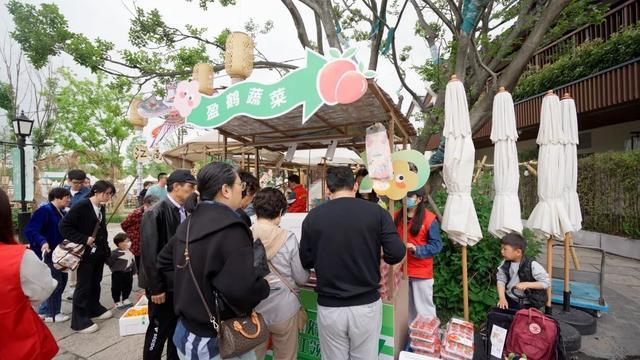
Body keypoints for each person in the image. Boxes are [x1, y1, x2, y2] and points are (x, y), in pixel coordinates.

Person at [157, 162, 270, 360]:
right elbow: (243, 290)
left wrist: (191, 289)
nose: (241, 191)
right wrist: (263, 287)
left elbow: (165, 261)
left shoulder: (189, 222)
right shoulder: (232, 228)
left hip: (186, 332)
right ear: (225, 190)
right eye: (239, 186)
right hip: (217, 339)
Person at [299, 166, 406, 359]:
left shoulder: (313, 217)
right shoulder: (377, 213)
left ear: (327, 189)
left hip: (330, 307)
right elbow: (396, 253)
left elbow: (305, 260)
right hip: (366, 306)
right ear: (355, 186)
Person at [141, 169, 196, 360]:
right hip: (162, 286)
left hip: (181, 284)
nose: (193, 191)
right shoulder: (155, 213)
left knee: (177, 330)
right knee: (158, 330)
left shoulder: (188, 210)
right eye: (190, 187)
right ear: (176, 187)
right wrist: (156, 288)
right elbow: (149, 255)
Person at [0, 188, 59, 359]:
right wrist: (43, 242)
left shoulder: (60, 211)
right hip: (19, 345)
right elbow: (44, 288)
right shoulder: (18, 258)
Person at [252, 188, 310, 360]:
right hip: (284, 309)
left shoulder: (245, 234)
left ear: (256, 210)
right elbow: (301, 278)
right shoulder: (289, 238)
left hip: (254, 310)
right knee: (286, 356)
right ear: (280, 212)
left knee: (254, 356)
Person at [59, 180, 115, 333]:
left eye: (110, 194)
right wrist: (84, 238)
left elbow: (102, 230)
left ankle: (94, 307)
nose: (108, 197)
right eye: (106, 193)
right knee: (83, 285)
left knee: (95, 281)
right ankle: (79, 319)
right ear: (96, 191)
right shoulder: (83, 205)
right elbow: (64, 226)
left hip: (98, 253)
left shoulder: (101, 207)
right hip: (84, 253)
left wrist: (106, 250)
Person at [23, 187, 72, 323]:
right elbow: (30, 230)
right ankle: (53, 313)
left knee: (62, 280)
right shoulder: (44, 211)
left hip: (59, 253)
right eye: (66, 197)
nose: (69, 199)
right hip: (48, 252)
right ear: (57, 198)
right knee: (56, 283)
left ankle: (45, 311)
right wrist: (42, 241)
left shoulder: (60, 212)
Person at [394, 188, 443, 321]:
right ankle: (410, 339)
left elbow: (437, 246)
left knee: (424, 310)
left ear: (419, 199)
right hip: (400, 271)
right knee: (406, 310)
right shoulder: (395, 215)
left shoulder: (429, 219)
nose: (406, 199)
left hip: (421, 272)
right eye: (404, 195)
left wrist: (416, 249)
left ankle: (428, 339)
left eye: (410, 196)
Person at [497, 233, 550, 310]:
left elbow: (546, 283)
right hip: (510, 300)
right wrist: (502, 298)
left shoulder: (532, 265)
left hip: (529, 303)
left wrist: (528, 284)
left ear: (518, 252)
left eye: (505, 249)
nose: (502, 252)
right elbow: (501, 280)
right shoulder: (504, 264)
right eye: (501, 248)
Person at [121, 195, 160, 280]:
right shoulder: (137, 213)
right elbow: (124, 224)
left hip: (151, 244)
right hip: (138, 245)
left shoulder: (156, 212)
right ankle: (143, 283)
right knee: (140, 266)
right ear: (145, 205)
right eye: (152, 206)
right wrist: (133, 234)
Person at [107, 233, 137, 309]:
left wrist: (134, 270)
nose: (129, 243)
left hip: (128, 273)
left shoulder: (129, 251)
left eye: (129, 241)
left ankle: (125, 298)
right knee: (116, 287)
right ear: (120, 244)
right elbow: (109, 262)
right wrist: (114, 269)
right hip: (118, 274)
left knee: (128, 286)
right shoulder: (115, 253)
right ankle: (117, 301)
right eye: (127, 241)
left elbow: (132, 261)